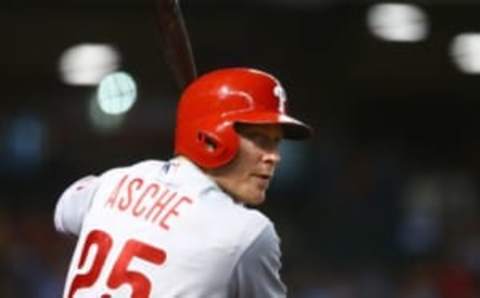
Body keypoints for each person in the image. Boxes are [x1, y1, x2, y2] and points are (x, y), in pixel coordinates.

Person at [53, 67, 311, 298]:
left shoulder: (116, 180)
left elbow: (64, 211)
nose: (274, 157)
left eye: (276, 142)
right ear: (211, 138)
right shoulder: (248, 232)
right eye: (260, 139)